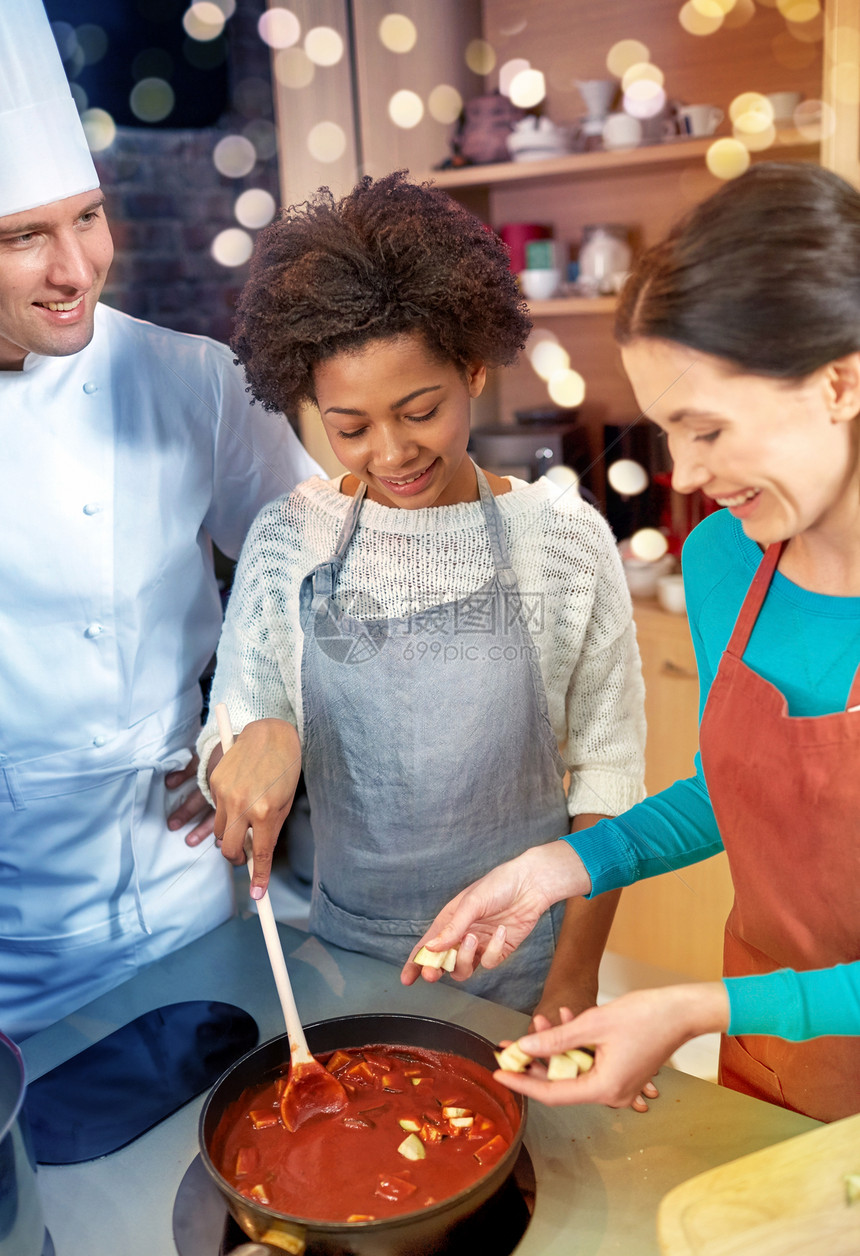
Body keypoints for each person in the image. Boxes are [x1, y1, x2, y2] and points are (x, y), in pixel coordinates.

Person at [401, 161, 860, 1124]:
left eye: (708, 430)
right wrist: (563, 867)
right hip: (779, 1057)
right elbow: (741, 788)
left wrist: (698, 1008)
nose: (686, 472)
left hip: (751, 1011)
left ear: (839, 380)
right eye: (665, 433)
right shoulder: (729, 560)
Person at [197, 171, 647, 1019]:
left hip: (526, 958)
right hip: (351, 961)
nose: (391, 452)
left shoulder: (561, 537)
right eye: (351, 427)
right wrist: (251, 735)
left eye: (419, 409)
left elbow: (608, 777)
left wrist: (574, 980)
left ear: (474, 368)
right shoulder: (292, 538)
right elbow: (236, 730)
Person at [0, 0, 320, 1040]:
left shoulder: (188, 379)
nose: (76, 268)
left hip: (195, 889)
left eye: (85, 217)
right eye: (23, 237)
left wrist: (260, 710)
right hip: (18, 942)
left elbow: (316, 556)